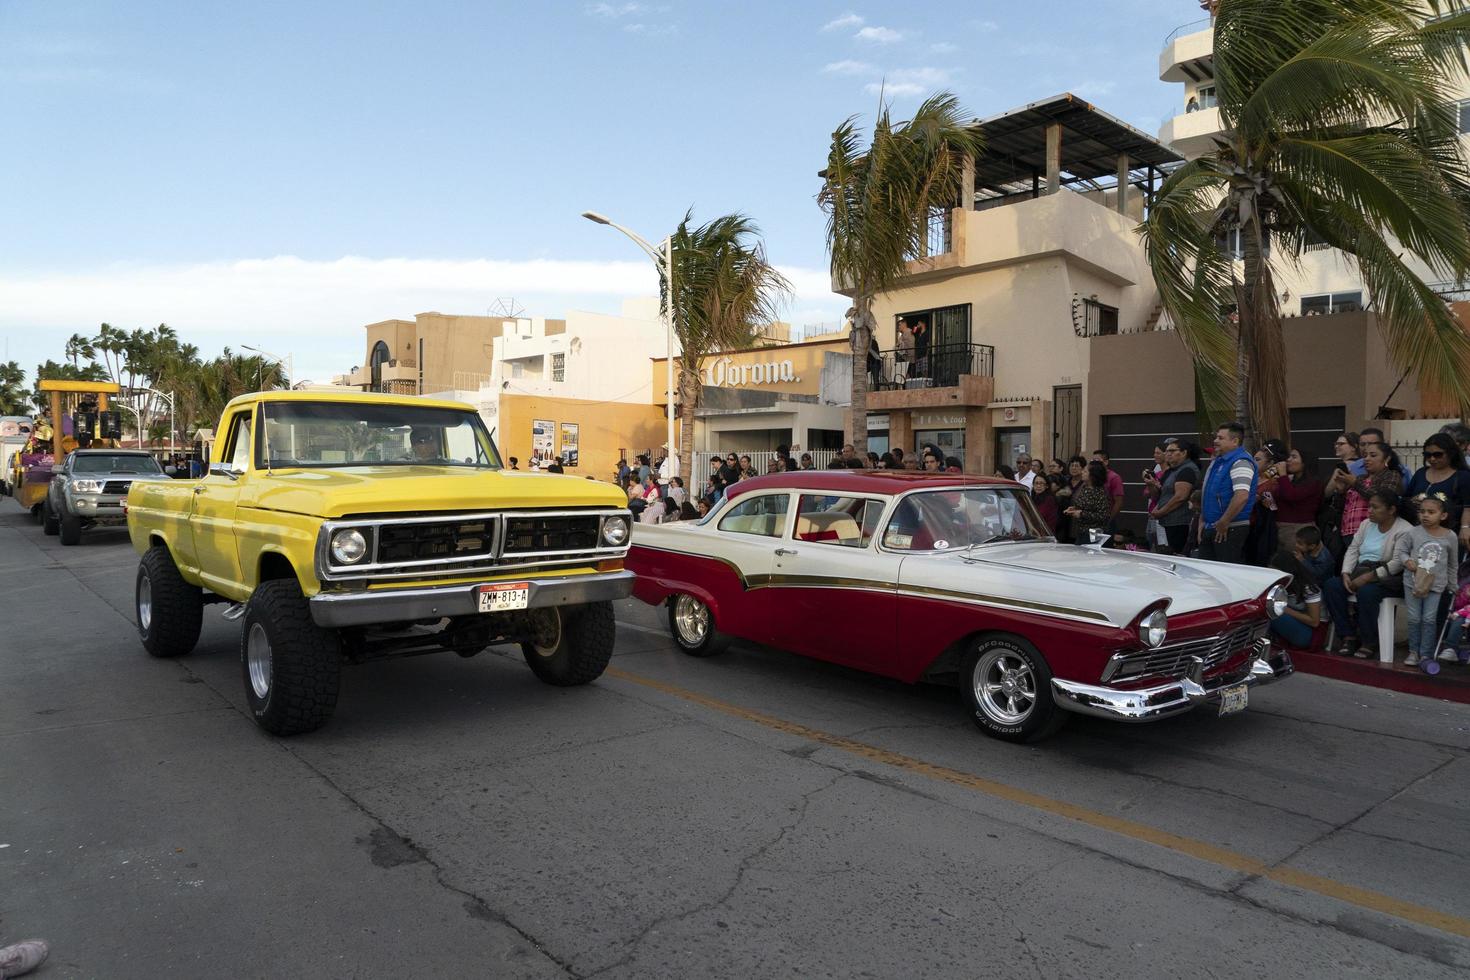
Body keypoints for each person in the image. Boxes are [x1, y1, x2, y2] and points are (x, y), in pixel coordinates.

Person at [1322, 489, 1412, 658]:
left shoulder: (1405, 530)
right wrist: (1346, 573)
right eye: (1369, 506)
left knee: (1367, 592)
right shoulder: (1366, 524)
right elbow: (1353, 549)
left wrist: (1370, 577)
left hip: (1389, 578)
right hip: (1361, 570)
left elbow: (1398, 562)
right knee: (1331, 586)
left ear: (1391, 510)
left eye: (1374, 507)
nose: (1369, 510)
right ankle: (1348, 636)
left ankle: (1369, 641)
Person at [1396, 495, 1459, 667]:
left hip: (1436, 585)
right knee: (1414, 618)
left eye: (1431, 512)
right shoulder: (1413, 532)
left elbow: (1453, 564)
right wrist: (1406, 561)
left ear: (1443, 515)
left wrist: (1453, 585)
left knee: (1429, 619)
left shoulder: (1450, 536)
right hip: (1413, 583)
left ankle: (1426, 654)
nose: (1425, 515)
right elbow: (1401, 550)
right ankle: (1413, 652)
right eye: (1422, 511)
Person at [1197, 422, 1257, 563]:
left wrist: (1225, 521)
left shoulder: (1241, 462)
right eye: (1216, 437)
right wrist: (1203, 520)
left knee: (1224, 575)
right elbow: (1209, 495)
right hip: (1213, 525)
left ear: (1235, 441)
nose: (1215, 441)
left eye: (1220, 438)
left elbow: (1242, 496)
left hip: (1230, 528)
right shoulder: (1220, 461)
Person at [1332, 441, 1404, 540]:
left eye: (1373, 455)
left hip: (1374, 532)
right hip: (1349, 533)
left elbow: (1383, 499)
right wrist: (1340, 492)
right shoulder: (1360, 478)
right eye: (1365, 455)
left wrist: (1355, 483)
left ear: (1387, 458)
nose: (1367, 459)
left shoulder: (1391, 475)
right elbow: (1340, 508)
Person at [1404, 433, 1470, 536]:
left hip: (1448, 533)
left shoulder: (1462, 476)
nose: (1432, 459)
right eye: (1428, 455)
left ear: (1450, 453)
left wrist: (1465, 528)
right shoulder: (1421, 473)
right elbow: (1406, 497)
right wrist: (1413, 501)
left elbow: (1467, 506)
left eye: (1438, 455)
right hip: (1417, 532)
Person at [1265, 447, 1325, 553]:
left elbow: (1291, 496)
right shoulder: (1289, 480)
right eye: (1289, 456)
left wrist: (1283, 474)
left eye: (1294, 457)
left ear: (1305, 462)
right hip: (1280, 529)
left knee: (1293, 565)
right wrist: (1267, 499)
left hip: (1299, 530)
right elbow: (1278, 504)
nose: (1288, 460)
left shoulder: (1313, 483)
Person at [1152, 439, 1201, 555]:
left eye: (1172, 451)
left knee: (1178, 555)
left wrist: (1161, 511)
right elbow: (1164, 494)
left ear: (1184, 453)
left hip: (1180, 522)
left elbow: (1180, 497)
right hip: (1168, 521)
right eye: (1167, 451)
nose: (1168, 453)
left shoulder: (1187, 469)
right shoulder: (1172, 470)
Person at [1267, 550, 1322, 650]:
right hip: (1287, 625)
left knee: (1271, 611)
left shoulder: (1308, 588)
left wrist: (1285, 610)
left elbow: (1314, 621)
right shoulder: (1279, 585)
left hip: (1307, 633)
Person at [1065, 461, 1113, 545]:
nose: (1082, 472)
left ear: (1093, 475)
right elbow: (1083, 505)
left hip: (1094, 533)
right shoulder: (1085, 487)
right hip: (1081, 530)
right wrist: (1074, 509)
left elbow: (1103, 515)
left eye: (1085, 471)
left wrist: (1082, 514)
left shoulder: (1100, 492)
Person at [1091, 450, 1125, 529]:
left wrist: (1109, 519)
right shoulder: (1091, 476)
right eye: (1092, 461)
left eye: (1097, 461)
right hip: (1091, 519)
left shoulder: (1114, 477)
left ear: (1106, 462)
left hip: (1106, 520)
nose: (1094, 463)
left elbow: (1118, 502)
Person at [1142, 442, 1167, 550]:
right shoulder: (1156, 472)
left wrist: (1154, 485)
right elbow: (1149, 494)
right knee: (1151, 547)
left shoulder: (1169, 473)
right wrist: (1149, 483)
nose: (1155, 455)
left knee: (1162, 547)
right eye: (1154, 453)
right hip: (1152, 514)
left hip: (1163, 515)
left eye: (1158, 453)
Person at [894, 318, 914, 382]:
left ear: (904, 324)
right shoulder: (902, 335)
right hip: (905, 359)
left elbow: (903, 346)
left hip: (910, 359)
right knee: (905, 375)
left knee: (909, 375)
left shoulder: (908, 332)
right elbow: (896, 346)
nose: (898, 327)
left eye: (899, 325)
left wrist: (899, 346)